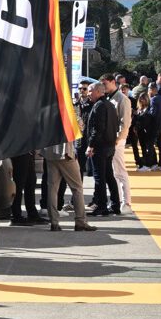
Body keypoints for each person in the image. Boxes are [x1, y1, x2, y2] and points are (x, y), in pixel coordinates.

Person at [87, 77, 122, 218]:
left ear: (97, 91)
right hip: (109, 146)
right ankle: (115, 205)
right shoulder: (109, 105)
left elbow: (98, 128)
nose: (88, 93)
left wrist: (91, 145)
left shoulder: (100, 106)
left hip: (100, 147)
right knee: (108, 176)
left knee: (100, 177)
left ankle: (102, 206)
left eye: (90, 91)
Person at [43, 131, 90, 231]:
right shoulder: (66, 118)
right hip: (65, 152)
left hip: (49, 152)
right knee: (77, 188)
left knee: (52, 188)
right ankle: (80, 221)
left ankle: (54, 222)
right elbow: (76, 130)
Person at [112, 74, 134, 212]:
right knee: (114, 172)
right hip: (112, 140)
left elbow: (125, 123)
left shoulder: (122, 99)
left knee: (120, 171)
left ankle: (126, 203)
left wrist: (118, 138)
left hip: (117, 140)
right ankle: (118, 200)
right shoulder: (112, 98)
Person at [10, 151, 39, 225]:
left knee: (31, 181)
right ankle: (16, 215)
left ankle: (32, 213)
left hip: (28, 151)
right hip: (20, 152)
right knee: (19, 183)